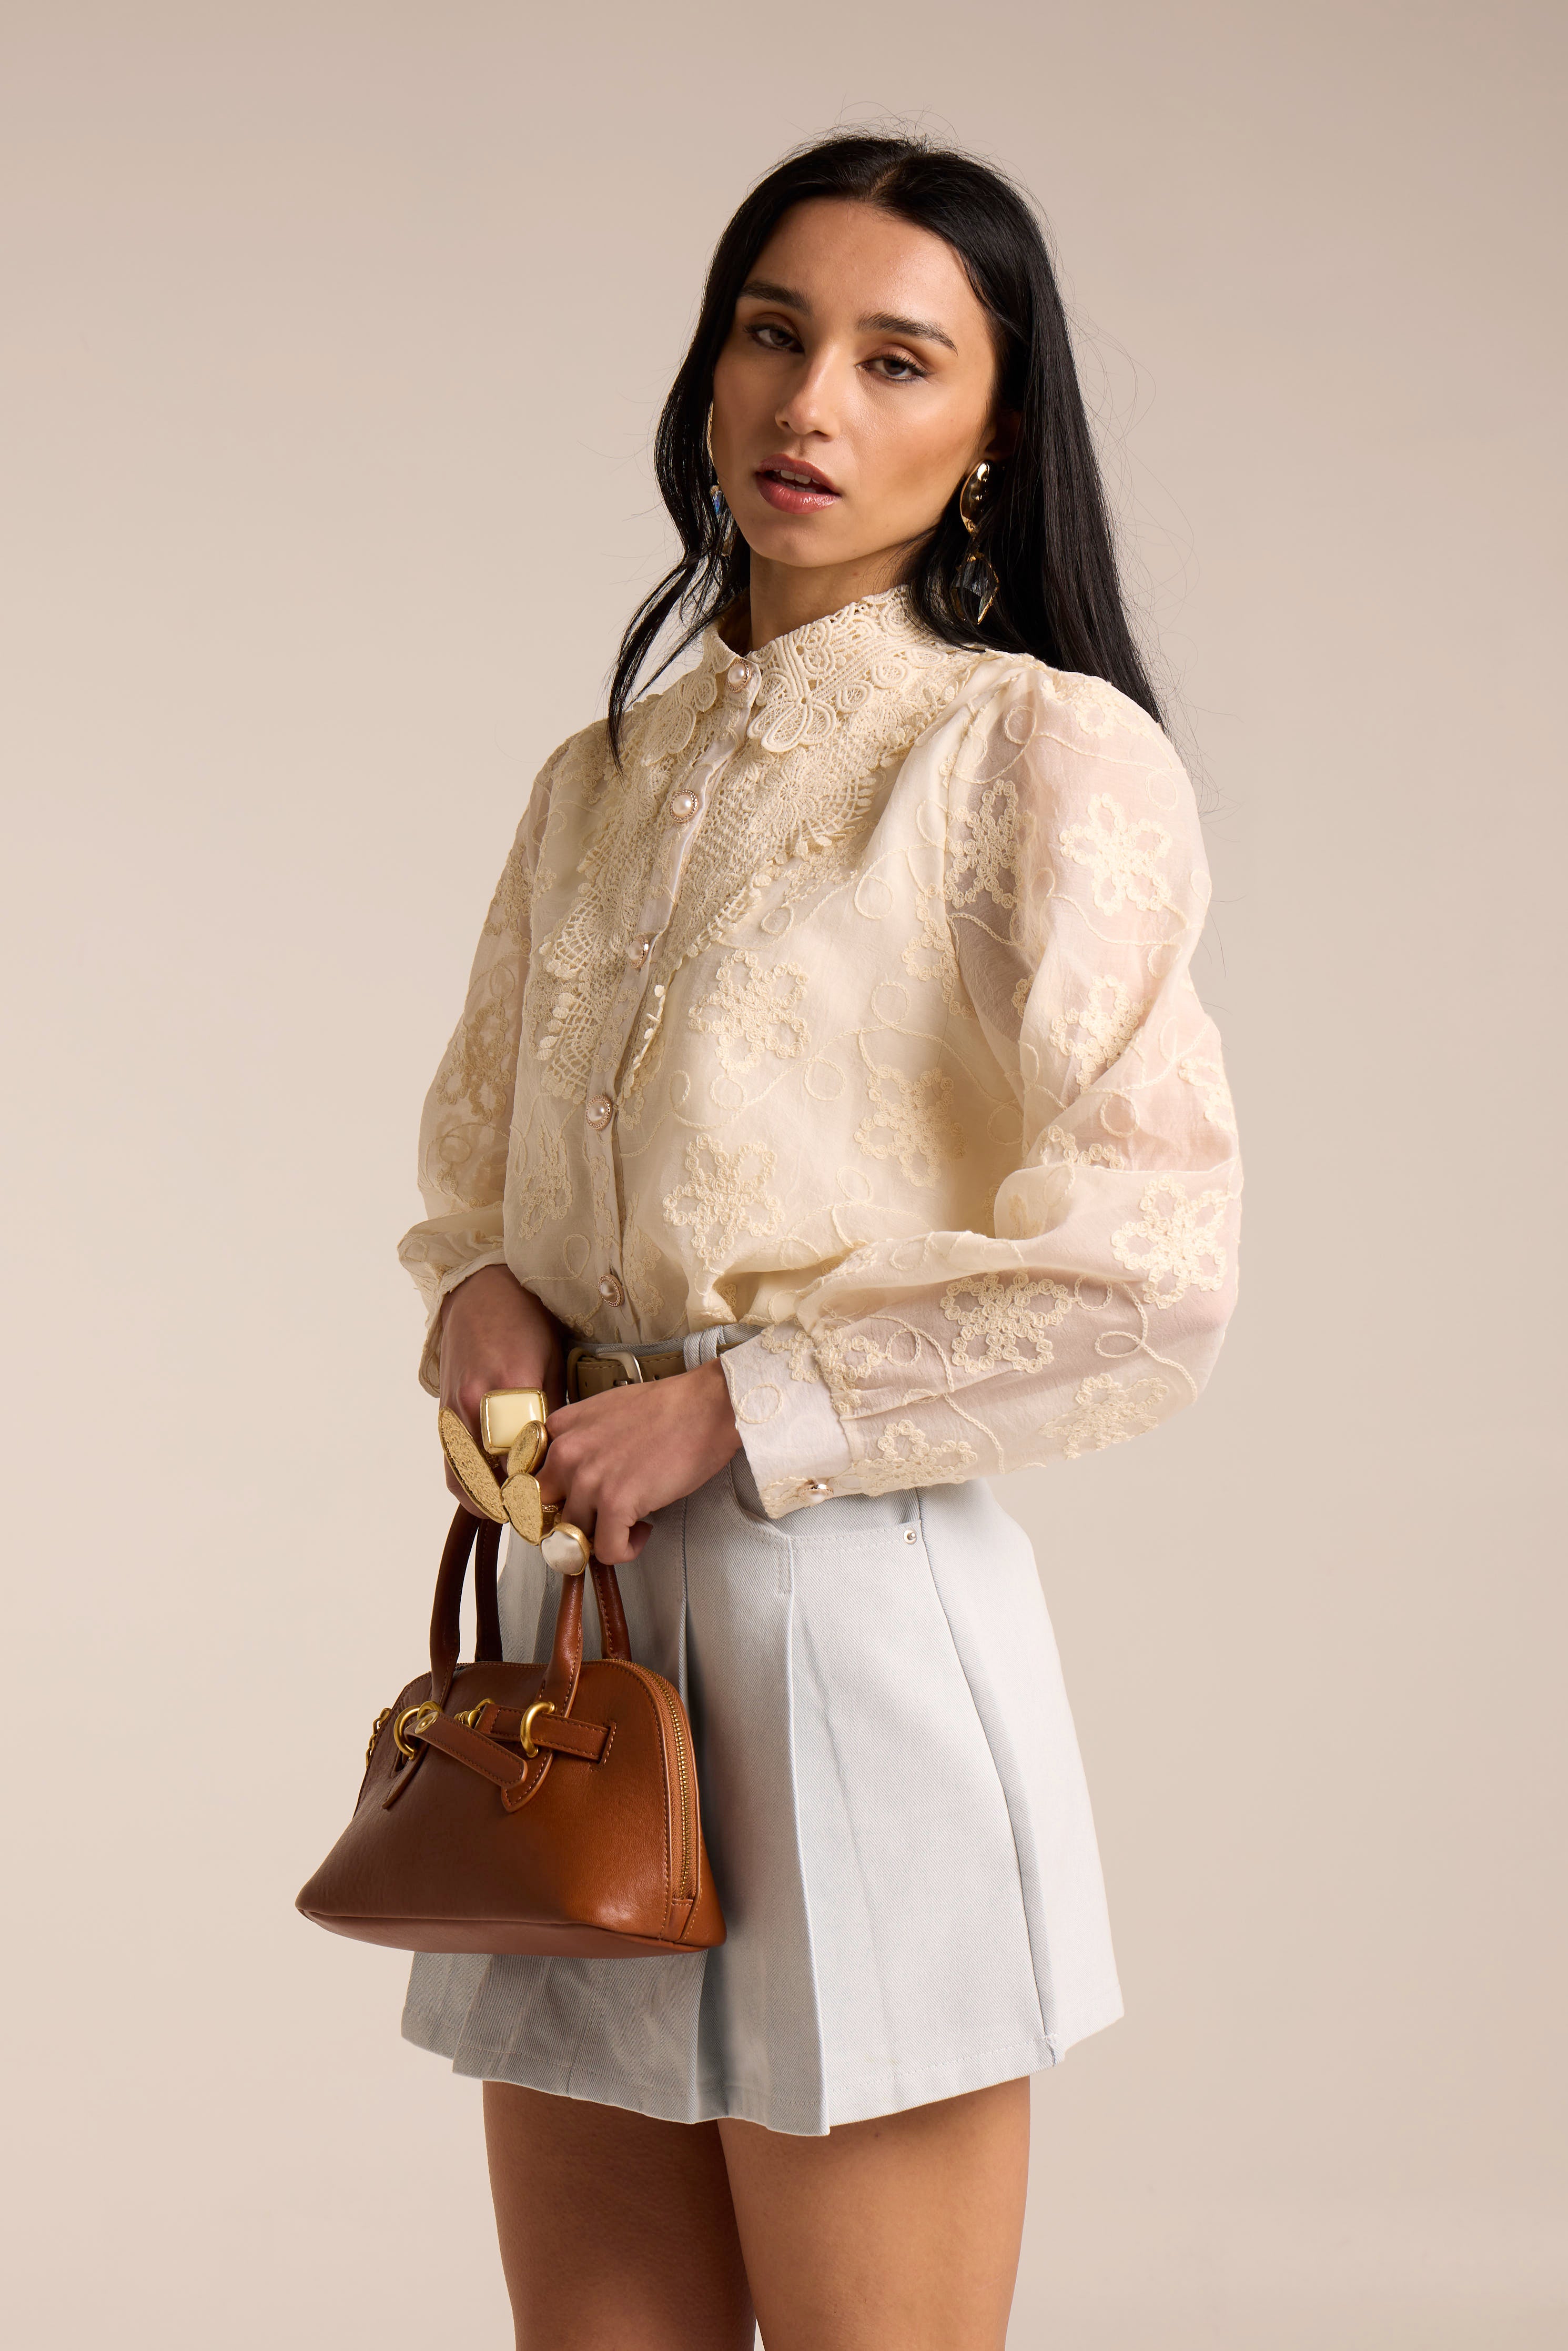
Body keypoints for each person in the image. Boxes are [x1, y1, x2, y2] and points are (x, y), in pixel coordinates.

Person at [396, 130, 1241, 2351]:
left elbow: (1150, 1261)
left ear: (996, 435)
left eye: (895, 358)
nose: (808, 403)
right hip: (574, 1656)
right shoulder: (596, 782)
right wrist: (482, 1295)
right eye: (773, 335)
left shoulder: (1029, 756)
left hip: (844, 1626)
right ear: (709, 370)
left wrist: (739, 1409)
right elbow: (480, 1178)